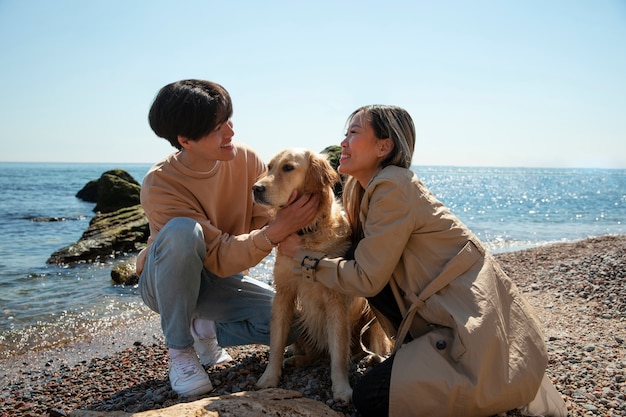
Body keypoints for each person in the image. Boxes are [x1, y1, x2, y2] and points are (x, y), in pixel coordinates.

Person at [279, 105, 561, 416]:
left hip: (467, 330)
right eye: (345, 134)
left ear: (384, 147)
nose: (343, 142)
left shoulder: (393, 187)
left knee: (371, 398)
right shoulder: (361, 190)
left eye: (354, 133)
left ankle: (477, 389)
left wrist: (303, 257)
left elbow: (366, 279)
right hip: (443, 320)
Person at [137, 79, 319, 397]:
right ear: (185, 140)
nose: (230, 132)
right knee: (183, 231)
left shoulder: (246, 160)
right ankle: (180, 352)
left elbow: (267, 221)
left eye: (229, 120)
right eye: (218, 127)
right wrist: (277, 232)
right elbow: (223, 251)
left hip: (221, 281)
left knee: (291, 325)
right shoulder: (160, 184)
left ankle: (203, 328)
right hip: (165, 284)